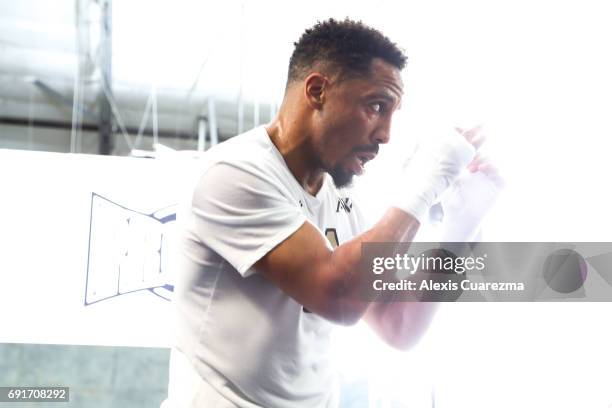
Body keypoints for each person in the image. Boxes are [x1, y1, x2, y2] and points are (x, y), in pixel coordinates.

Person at [163, 18, 500, 408]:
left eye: (392, 113)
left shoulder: (344, 201)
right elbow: (337, 296)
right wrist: (423, 188)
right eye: (376, 107)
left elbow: (398, 326)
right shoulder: (236, 173)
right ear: (318, 90)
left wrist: (460, 228)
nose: (386, 134)